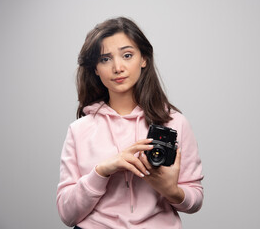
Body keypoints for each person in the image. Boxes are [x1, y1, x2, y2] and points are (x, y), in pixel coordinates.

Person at [56, 17, 203, 229]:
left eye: (127, 55)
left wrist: (170, 190)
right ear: (95, 68)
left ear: (143, 58)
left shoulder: (175, 123)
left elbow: (195, 199)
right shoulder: (79, 130)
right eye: (105, 59)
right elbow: (67, 214)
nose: (117, 67)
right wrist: (102, 171)